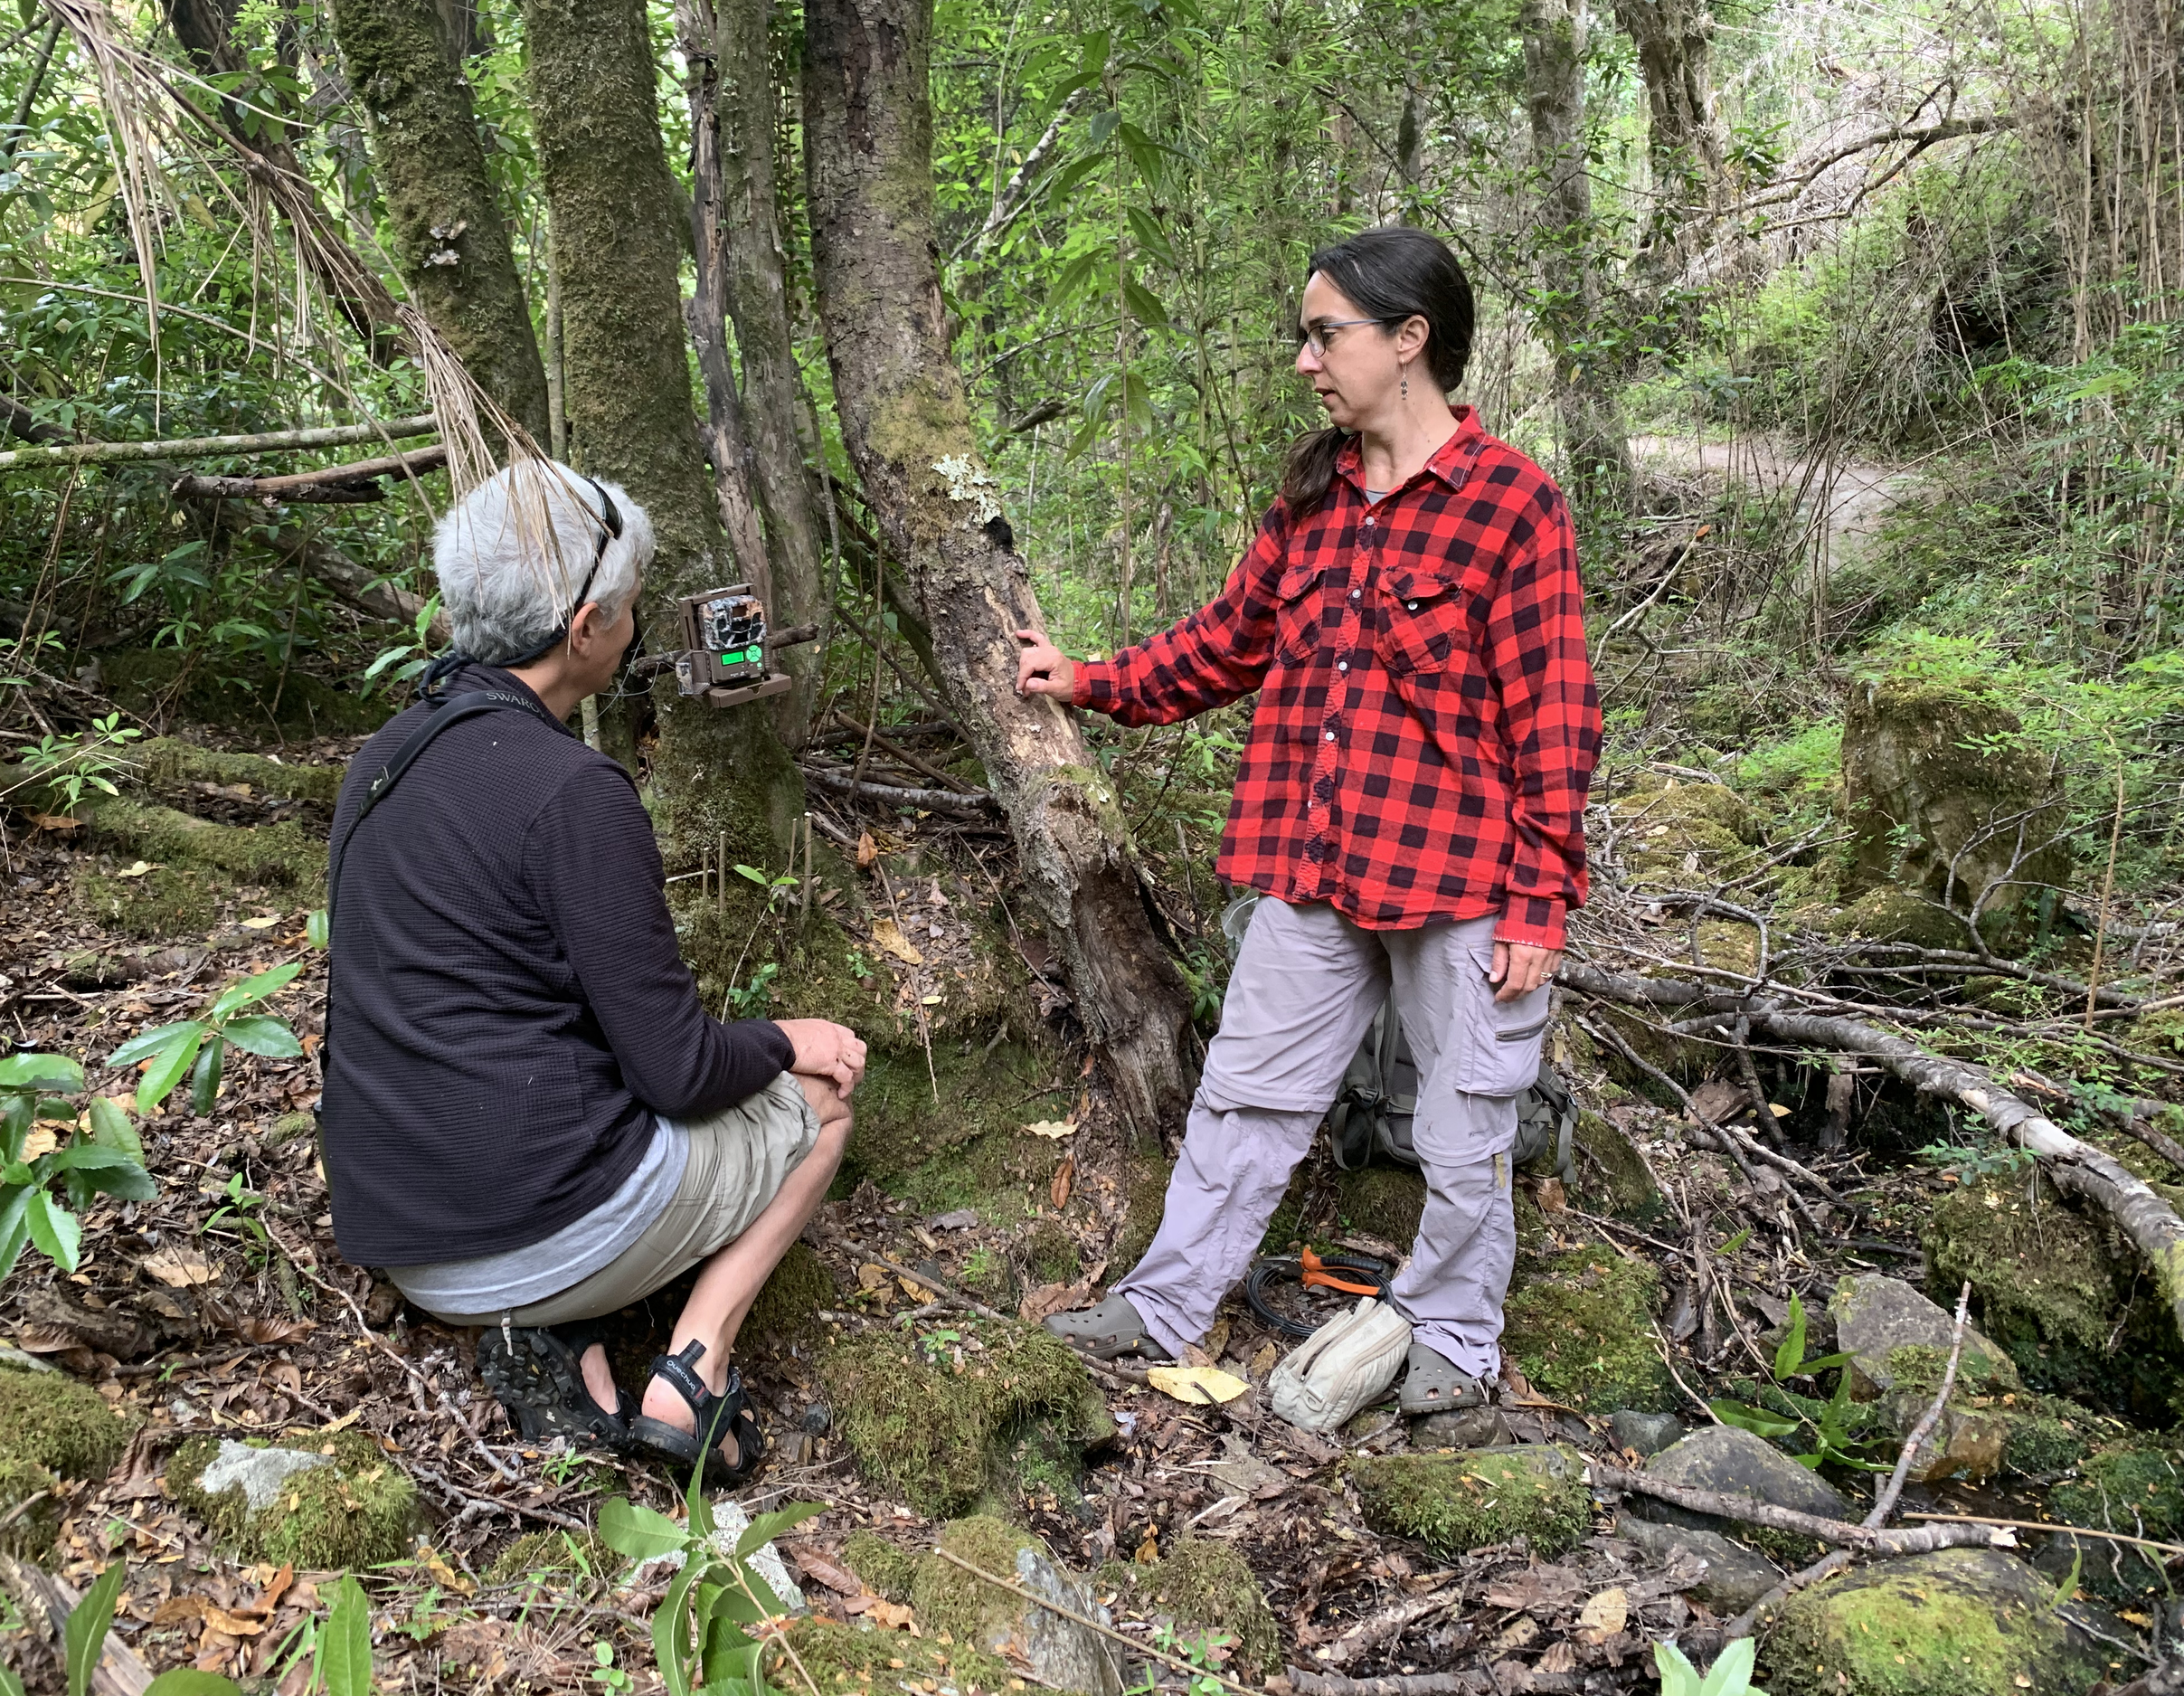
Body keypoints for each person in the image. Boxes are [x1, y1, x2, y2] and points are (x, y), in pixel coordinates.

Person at [1014, 227, 1601, 1411]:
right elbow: (1228, 641)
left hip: (1468, 880)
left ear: (1409, 340)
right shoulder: (1318, 500)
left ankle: (1453, 1337)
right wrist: (1092, 677)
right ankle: (1167, 1301)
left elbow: (1557, 718)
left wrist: (1542, 899)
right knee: (1247, 1090)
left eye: (1325, 331)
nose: (1304, 358)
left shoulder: (1513, 505)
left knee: (1464, 1124)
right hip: (1317, 858)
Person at [318, 460, 867, 1480]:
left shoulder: (386, 756)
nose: (640, 621)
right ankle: (690, 1380)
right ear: (584, 627)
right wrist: (795, 1038)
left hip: (405, 1239)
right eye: (630, 606)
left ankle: (566, 1344)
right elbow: (679, 1072)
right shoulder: (574, 791)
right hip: (539, 1229)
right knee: (825, 1097)